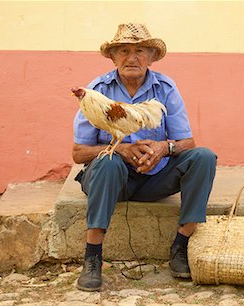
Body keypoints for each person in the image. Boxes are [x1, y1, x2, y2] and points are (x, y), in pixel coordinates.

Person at [72, 23, 217, 291]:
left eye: (140, 50)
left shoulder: (165, 87)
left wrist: (164, 148)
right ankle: (92, 256)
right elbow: (78, 152)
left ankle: (181, 245)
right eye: (124, 51)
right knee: (108, 160)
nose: (132, 57)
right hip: (111, 181)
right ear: (113, 57)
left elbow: (188, 142)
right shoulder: (96, 89)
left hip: (154, 179)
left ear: (151, 57)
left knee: (204, 157)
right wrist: (121, 149)